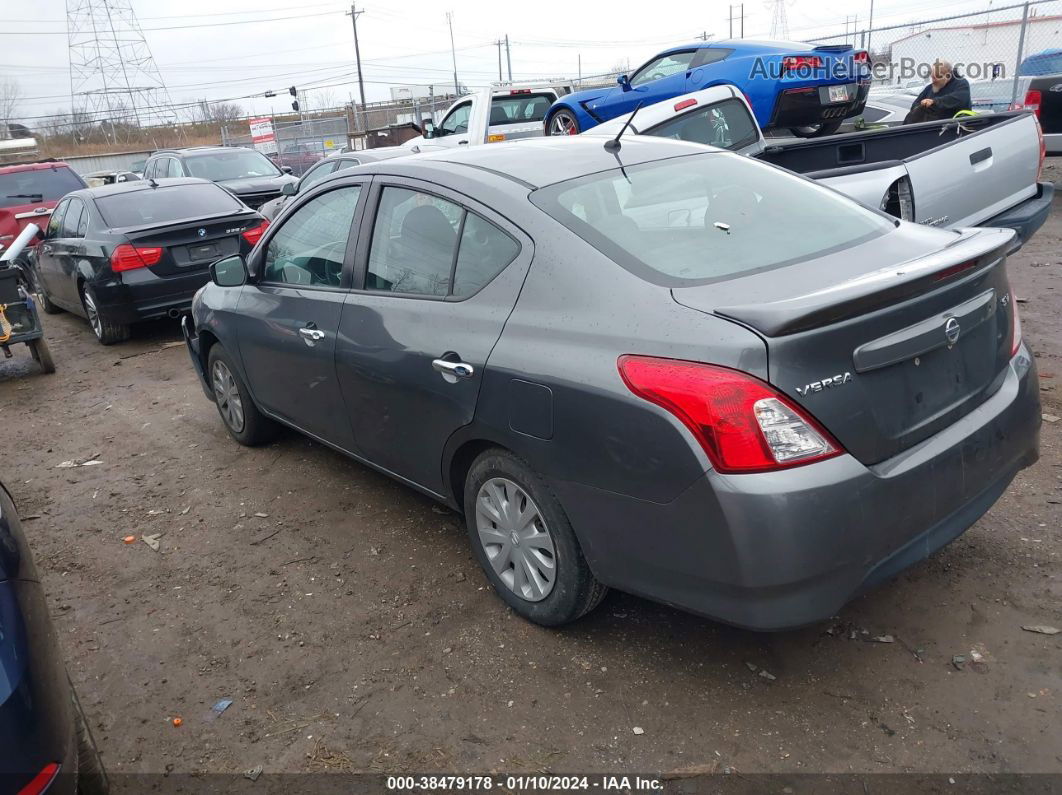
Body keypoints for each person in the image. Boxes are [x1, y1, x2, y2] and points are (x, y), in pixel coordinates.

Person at [904, 60, 971, 124]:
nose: (934, 80)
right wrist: (922, 106)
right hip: (928, 128)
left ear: (948, 76)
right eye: (932, 77)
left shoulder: (961, 84)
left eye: (937, 77)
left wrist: (934, 102)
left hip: (955, 128)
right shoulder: (929, 88)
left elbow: (959, 99)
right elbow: (915, 105)